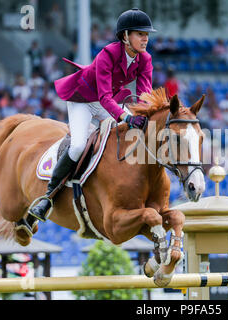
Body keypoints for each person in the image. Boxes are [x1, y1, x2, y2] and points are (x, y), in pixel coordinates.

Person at [29, 8, 156, 222]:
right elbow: (105, 97)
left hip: (108, 102)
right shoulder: (108, 54)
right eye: (140, 34)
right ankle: (47, 197)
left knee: (129, 135)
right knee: (78, 145)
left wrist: (145, 115)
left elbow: (145, 94)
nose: (145, 39)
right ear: (125, 36)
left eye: (146, 34)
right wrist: (126, 118)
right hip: (83, 101)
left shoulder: (145, 59)